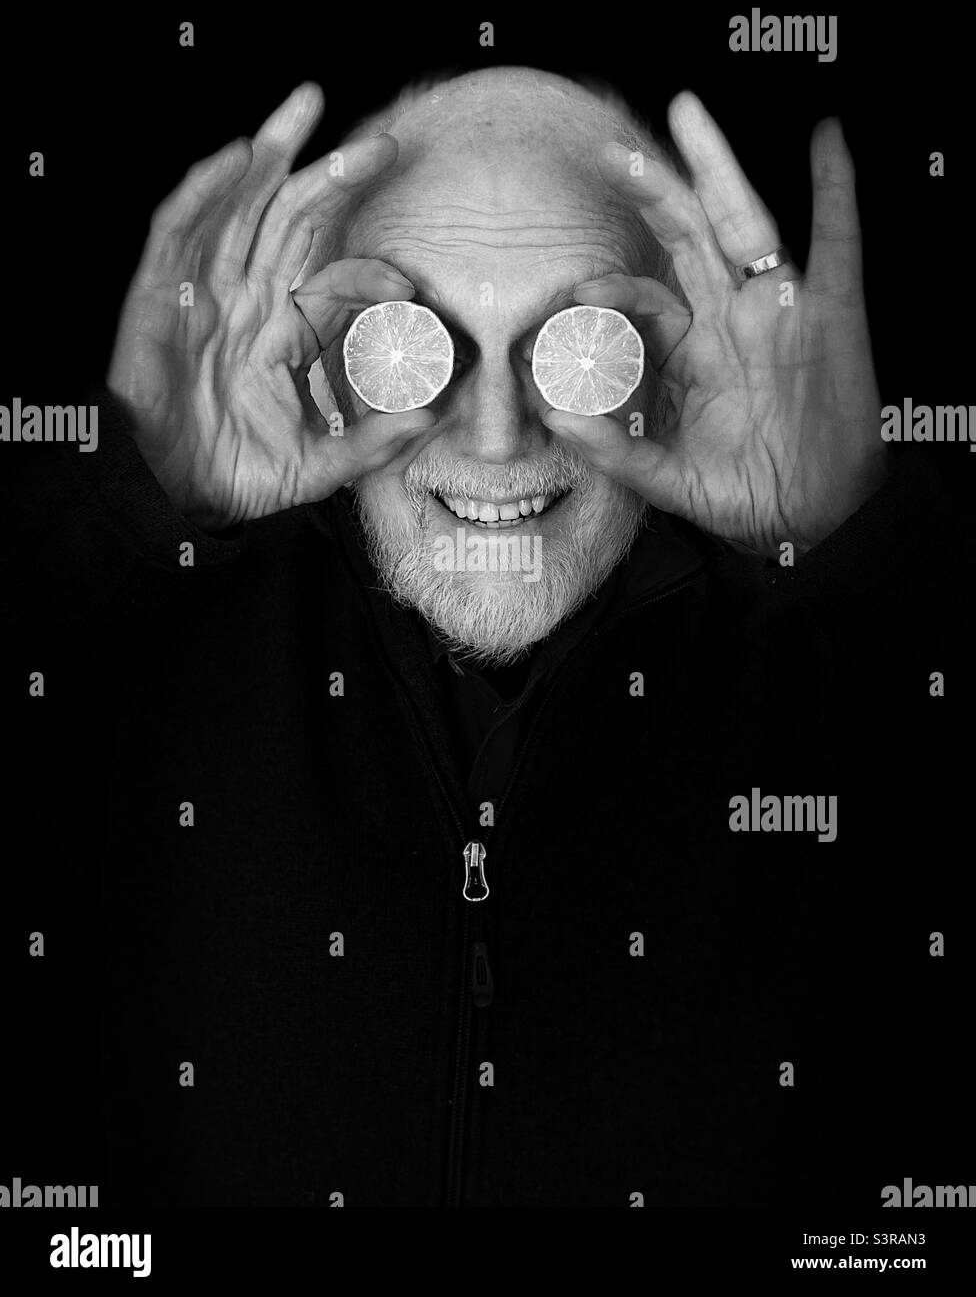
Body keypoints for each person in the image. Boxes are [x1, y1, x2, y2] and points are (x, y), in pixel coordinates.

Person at [10, 66, 966, 1206]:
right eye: (419, 337)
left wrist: (867, 554)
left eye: (576, 334)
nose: (502, 436)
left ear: (675, 348)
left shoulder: (840, 679)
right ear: (321, 354)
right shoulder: (142, 664)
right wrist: (114, 516)